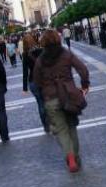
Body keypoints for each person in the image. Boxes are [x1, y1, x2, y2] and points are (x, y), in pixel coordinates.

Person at [33, 30, 89, 173]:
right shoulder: (66, 54)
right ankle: (75, 157)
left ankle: (69, 157)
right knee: (71, 127)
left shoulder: (40, 60)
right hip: (69, 96)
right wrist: (84, 85)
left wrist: (44, 92)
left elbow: (37, 81)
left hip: (51, 99)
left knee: (61, 130)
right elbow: (82, 69)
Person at [22, 33, 47, 131]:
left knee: (40, 103)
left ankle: (45, 125)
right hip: (43, 80)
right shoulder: (41, 50)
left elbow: (25, 71)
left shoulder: (25, 54)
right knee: (46, 101)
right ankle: (51, 121)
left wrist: (24, 88)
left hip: (33, 81)